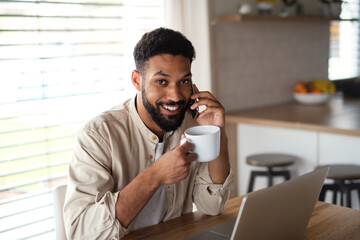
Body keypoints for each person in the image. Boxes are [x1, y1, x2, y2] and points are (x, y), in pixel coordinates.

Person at [63, 27, 234, 239]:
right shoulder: (98, 135)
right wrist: (155, 176)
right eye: (161, 81)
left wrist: (217, 133)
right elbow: (82, 233)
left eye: (184, 81)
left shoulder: (191, 126)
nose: (175, 95)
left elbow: (212, 205)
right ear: (137, 81)